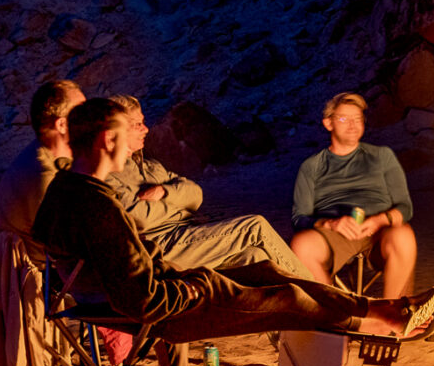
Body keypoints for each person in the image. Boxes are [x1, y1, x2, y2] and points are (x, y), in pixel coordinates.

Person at [32, 98, 434, 346]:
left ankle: (382, 310)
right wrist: (201, 283)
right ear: (107, 140)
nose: (135, 145)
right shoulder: (98, 205)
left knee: (266, 270)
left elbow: (57, 256)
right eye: (128, 134)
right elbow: (140, 300)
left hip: (122, 292)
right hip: (161, 309)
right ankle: (380, 318)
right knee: (287, 296)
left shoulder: (64, 188)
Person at [106, 96, 312, 278]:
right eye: (137, 124)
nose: (146, 129)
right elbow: (139, 218)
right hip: (163, 247)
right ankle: (326, 302)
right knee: (254, 227)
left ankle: (305, 314)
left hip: (188, 234)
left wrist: (164, 192)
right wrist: (179, 202)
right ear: (117, 130)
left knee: (255, 257)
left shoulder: (151, 166)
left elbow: (195, 194)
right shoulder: (109, 174)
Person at [0, 79, 86, 366]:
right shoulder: (40, 172)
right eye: (83, 112)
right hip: (41, 275)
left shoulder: (47, 162)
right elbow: (63, 243)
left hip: (44, 267)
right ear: (62, 123)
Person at [290, 93, 416, 298]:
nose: (352, 125)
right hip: (335, 234)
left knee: (404, 234)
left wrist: (380, 219)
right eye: (343, 119)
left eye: (357, 119)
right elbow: (299, 218)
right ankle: (335, 314)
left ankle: (392, 315)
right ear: (328, 123)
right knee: (302, 244)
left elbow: (405, 207)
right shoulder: (312, 166)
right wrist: (330, 224)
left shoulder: (382, 156)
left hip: (378, 232)